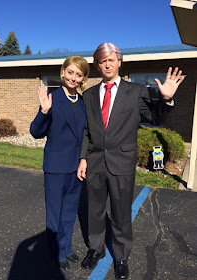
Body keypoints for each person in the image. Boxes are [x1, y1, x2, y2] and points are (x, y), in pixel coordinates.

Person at [77, 42, 184, 279]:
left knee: (121, 213)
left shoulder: (135, 92)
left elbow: (155, 119)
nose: (107, 64)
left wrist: (166, 100)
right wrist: (83, 158)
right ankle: (96, 249)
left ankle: (121, 256)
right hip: (95, 162)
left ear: (119, 62)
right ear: (97, 65)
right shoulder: (89, 95)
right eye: (102, 60)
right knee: (94, 210)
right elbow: (86, 130)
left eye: (111, 59)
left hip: (121, 163)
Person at [30, 55, 90, 271]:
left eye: (79, 74)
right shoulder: (52, 99)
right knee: (55, 213)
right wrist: (44, 111)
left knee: (69, 212)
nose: (73, 77)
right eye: (70, 72)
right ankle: (54, 251)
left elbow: (85, 134)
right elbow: (36, 132)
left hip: (76, 168)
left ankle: (66, 247)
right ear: (63, 72)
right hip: (56, 168)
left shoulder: (83, 102)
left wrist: (84, 159)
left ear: (83, 78)